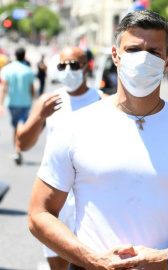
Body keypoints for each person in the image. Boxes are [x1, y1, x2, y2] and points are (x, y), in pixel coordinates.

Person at [28, 10, 168, 269]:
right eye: (133, 50)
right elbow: (39, 213)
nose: (143, 59)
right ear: (115, 56)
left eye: (154, 52)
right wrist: (92, 259)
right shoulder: (75, 126)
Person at [17, 46, 103, 270]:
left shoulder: (102, 101)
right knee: (57, 264)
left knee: (88, 262)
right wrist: (39, 117)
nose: (68, 70)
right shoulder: (49, 101)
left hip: (89, 195)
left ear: (86, 67)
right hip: (55, 194)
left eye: (74, 65)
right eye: (62, 65)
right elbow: (22, 144)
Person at [0, 47, 35, 165]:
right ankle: (18, 149)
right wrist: (33, 100)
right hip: (25, 102)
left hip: (12, 103)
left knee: (16, 126)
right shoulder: (28, 70)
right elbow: (32, 89)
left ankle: (17, 149)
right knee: (20, 123)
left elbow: (4, 87)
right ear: (24, 55)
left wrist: (1, 103)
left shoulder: (7, 69)